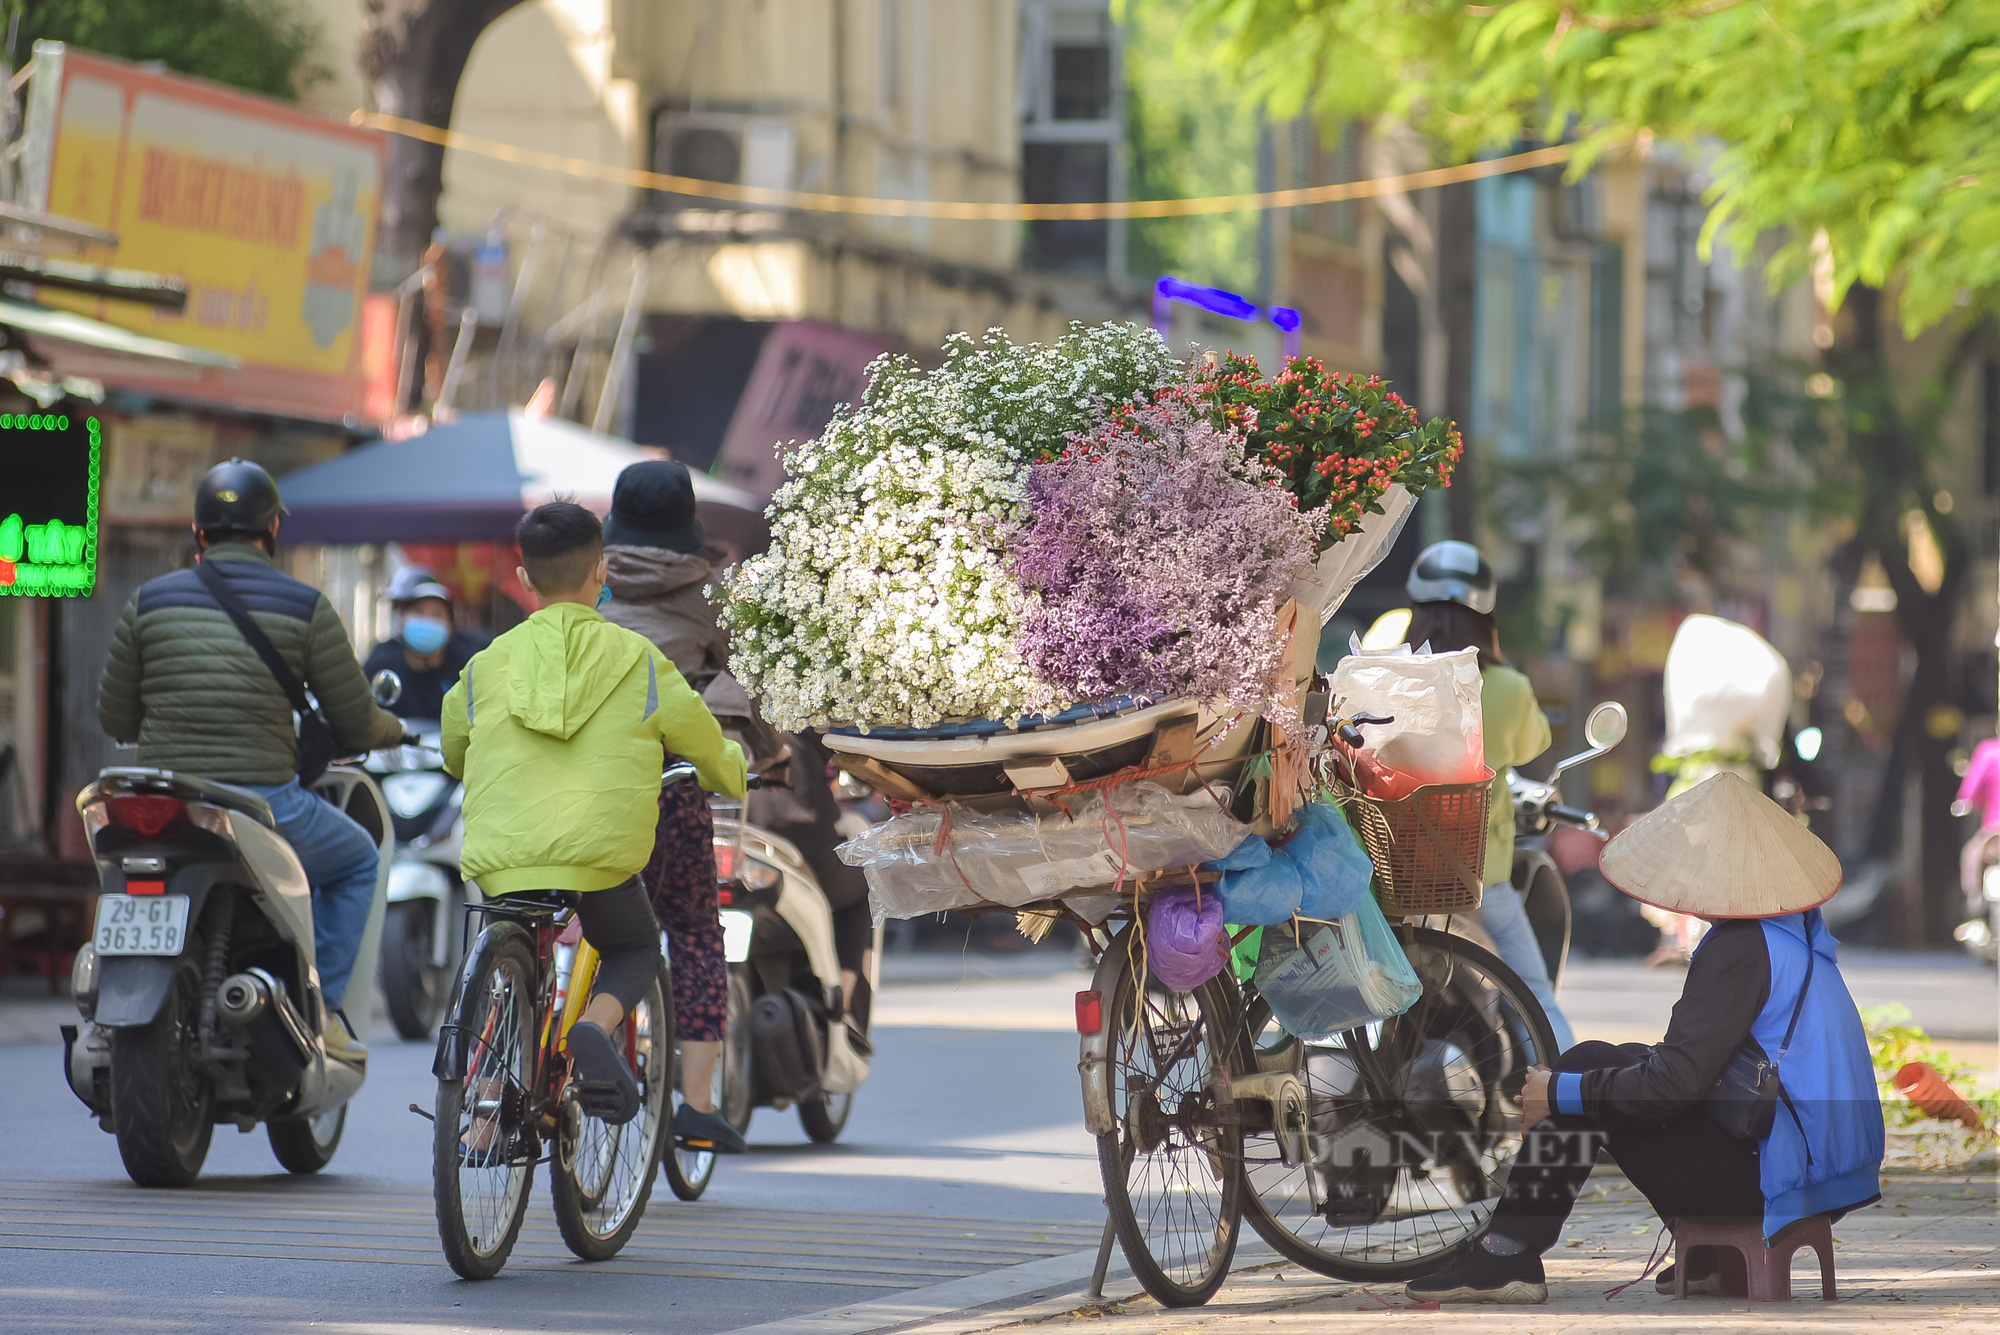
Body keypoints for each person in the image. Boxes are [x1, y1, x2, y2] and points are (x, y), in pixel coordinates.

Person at [1406, 773, 1884, 1304]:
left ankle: (1507, 1253)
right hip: (1820, 1174)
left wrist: (1557, 1094)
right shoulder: (1791, 933)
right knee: (1620, 1061)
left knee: (1584, 1068)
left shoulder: (1741, 945)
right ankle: (1708, 1259)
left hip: (1778, 1180)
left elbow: (1672, 1087)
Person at [441, 500, 745, 1127]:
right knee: (636, 947)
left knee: (509, 958)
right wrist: (735, 774)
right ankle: (594, 1026)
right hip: (599, 858)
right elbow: (703, 741)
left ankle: (482, 1115)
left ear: (525, 579)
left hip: (505, 855)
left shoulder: (483, 666)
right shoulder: (639, 660)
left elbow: (453, 751)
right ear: (600, 570)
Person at [97, 458, 405, 1065]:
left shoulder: (147, 602)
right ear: (272, 530)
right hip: (261, 805)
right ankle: (329, 1013)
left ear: (199, 531)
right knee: (357, 861)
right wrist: (393, 730)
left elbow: (115, 720)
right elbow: (357, 721)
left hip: (166, 800)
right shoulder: (305, 606)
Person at [597, 460, 794, 1151]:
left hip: (580, 792)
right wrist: (771, 755)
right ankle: (698, 1101)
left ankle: (499, 1089)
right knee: (694, 930)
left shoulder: (589, 586)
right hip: (669, 790)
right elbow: (747, 688)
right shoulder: (710, 600)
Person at [1404, 540, 1574, 1050]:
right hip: (1480, 874)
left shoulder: (1395, 676)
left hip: (1399, 869)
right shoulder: (1507, 687)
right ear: (1486, 612)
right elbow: (1535, 742)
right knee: (1534, 996)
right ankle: (1570, 1100)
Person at [363, 566, 488, 720]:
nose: (427, 620)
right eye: (418, 612)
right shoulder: (380, 667)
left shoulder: (471, 666)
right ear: (402, 620)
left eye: (437, 615)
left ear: (450, 626)